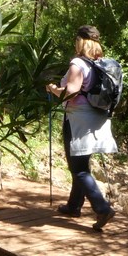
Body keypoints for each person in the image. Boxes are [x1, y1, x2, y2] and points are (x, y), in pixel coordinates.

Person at [47, 25, 117, 231]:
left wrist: (53, 89)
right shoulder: (100, 63)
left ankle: (102, 208)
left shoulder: (78, 63)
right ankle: (73, 206)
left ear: (80, 41)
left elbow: (71, 92)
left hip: (78, 121)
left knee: (77, 168)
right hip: (97, 119)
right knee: (81, 164)